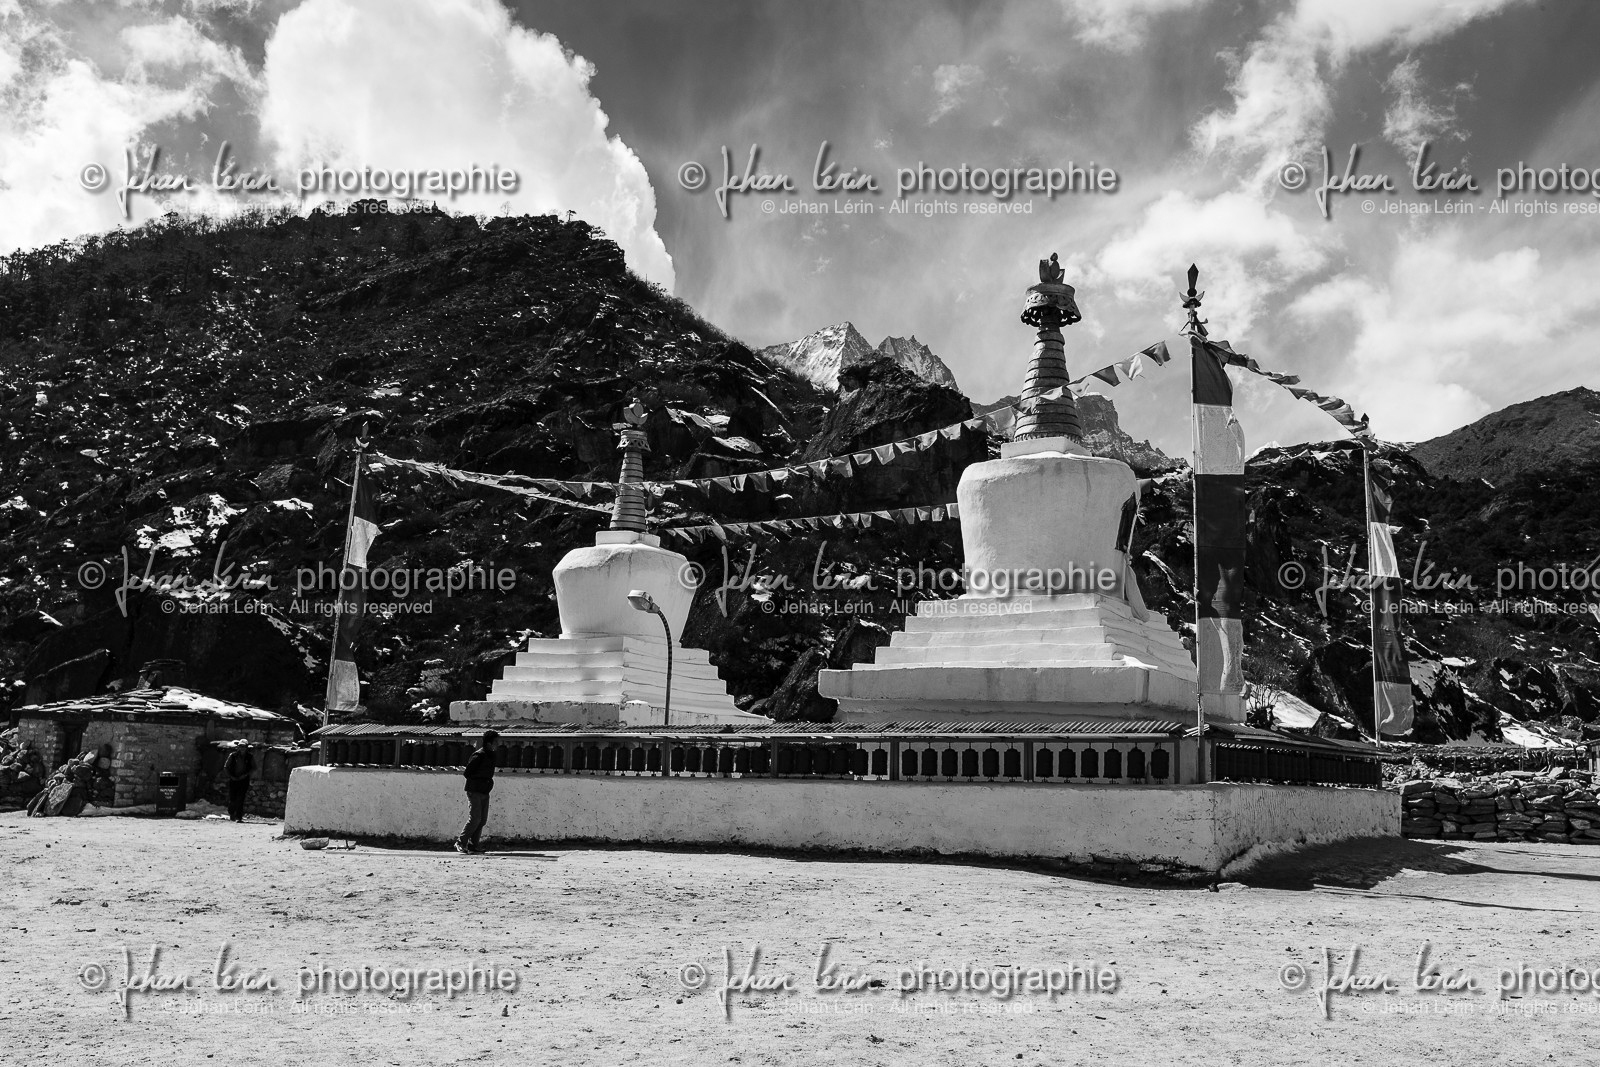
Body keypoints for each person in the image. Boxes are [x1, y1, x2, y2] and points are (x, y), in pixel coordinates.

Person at [455, 730, 499, 854]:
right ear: (489, 743)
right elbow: (467, 773)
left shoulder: (492, 755)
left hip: (485, 791)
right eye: (495, 742)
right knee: (475, 818)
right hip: (474, 791)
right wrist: (481, 780)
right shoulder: (478, 756)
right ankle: (461, 842)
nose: (497, 744)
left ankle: (473, 845)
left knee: (482, 820)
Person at [223, 742, 254, 823]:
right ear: (238, 747)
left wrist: (246, 775)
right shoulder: (232, 756)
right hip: (233, 779)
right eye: (240, 746)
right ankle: (232, 813)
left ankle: (238, 817)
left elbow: (253, 767)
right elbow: (226, 767)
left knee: (241, 798)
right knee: (232, 797)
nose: (242, 748)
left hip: (244, 780)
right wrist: (231, 776)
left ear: (246, 747)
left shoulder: (250, 757)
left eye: (244, 746)